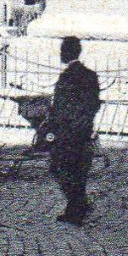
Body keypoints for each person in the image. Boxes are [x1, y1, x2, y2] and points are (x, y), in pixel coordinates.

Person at [46, 36, 102, 224]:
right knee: (78, 171)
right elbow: (94, 104)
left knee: (60, 168)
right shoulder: (90, 75)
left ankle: (78, 206)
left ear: (66, 52)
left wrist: (59, 126)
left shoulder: (68, 76)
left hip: (68, 132)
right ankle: (76, 206)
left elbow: (61, 107)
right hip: (84, 130)